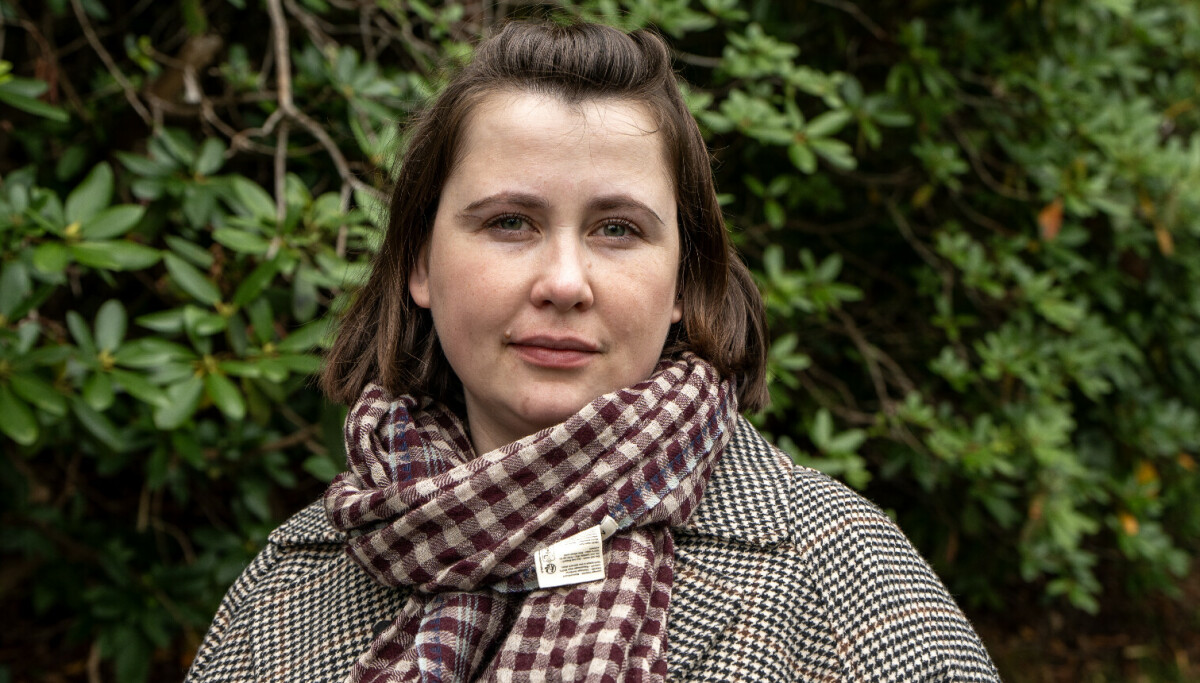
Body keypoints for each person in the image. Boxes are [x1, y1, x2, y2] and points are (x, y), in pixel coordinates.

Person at [186, 19, 1001, 683]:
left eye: (617, 229)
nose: (565, 282)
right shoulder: (290, 585)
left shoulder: (845, 583)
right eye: (510, 222)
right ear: (419, 263)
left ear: (684, 278)